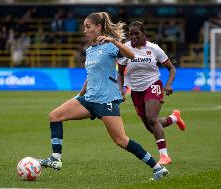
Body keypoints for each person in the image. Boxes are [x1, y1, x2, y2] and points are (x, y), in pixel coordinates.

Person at [39, 12, 168, 181]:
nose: (84, 30)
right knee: (55, 115)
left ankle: (158, 169)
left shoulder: (109, 45)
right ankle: (56, 159)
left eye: (88, 26)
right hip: (89, 99)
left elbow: (132, 55)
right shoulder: (90, 50)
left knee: (121, 140)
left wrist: (113, 41)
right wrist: (79, 95)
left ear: (99, 27)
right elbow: (90, 76)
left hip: (105, 100)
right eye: (84, 26)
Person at [118, 21, 186, 165]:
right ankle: (174, 118)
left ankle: (164, 156)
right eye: (131, 34)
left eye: (137, 33)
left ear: (144, 34)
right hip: (136, 91)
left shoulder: (154, 48)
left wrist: (168, 85)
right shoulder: (125, 49)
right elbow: (120, 72)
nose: (133, 37)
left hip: (153, 84)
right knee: (151, 126)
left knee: (152, 118)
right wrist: (121, 89)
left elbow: (171, 68)